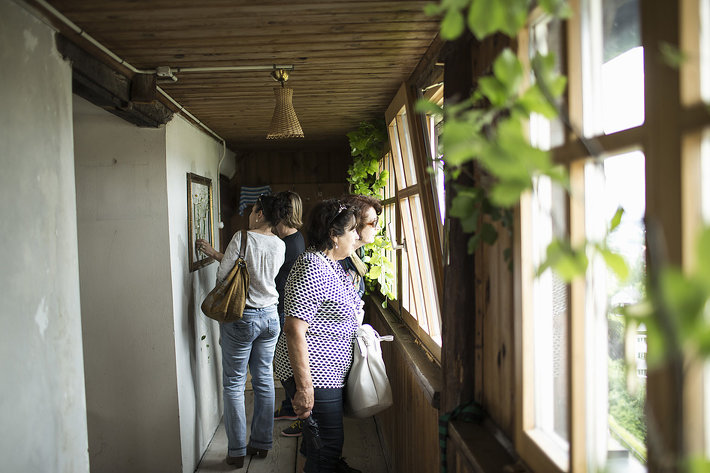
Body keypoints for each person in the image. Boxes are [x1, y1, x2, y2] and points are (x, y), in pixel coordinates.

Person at [273, 199, 363, 473]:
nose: (357, 236)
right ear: (334, 235)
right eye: (352, 230)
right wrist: (304, 389)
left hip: (328, 373)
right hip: (314, 375)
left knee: (320, 445)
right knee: (328, 447)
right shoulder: (312, 265)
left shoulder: (331, 263)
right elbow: (294, 329)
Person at [197, 195, 286, 469]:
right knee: (264, 380)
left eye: (252, 210)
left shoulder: (242, 237)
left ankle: (236, 451)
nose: (249, 215)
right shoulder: (280, 244)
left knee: (235, 384)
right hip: (270, 317)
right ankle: (261, 444)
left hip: (242, 317)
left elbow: (224, 275)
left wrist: (216, 257)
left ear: (259, 214)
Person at [270, 191, 307, 436]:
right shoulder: (295, 238)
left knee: (285, 367)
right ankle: (289, 407)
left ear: (279, 214)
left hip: (285, 308)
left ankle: (300, 414)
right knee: (285, 366)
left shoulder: (285, 244)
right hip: (285, 306)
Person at [340, 194, 383, 299]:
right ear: (355, 224)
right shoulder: (338, 260)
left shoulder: (357, 253)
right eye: (374, 223)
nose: (378, 227)